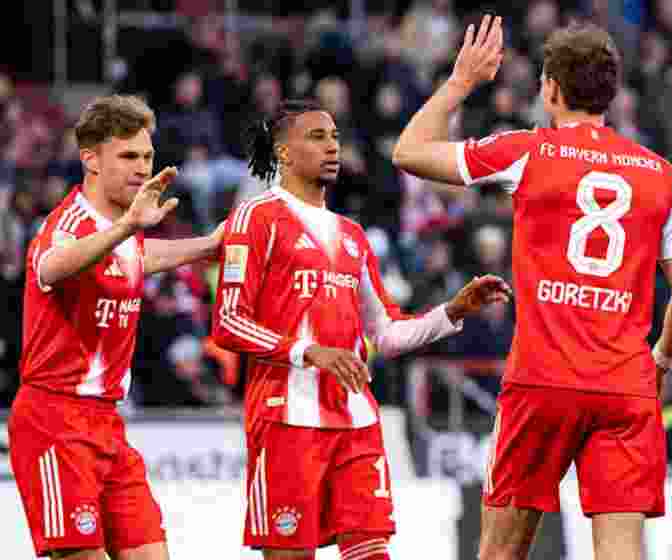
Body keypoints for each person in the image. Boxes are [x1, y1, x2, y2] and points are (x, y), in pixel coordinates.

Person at [393, 16, 672, 560]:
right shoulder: (660, 174)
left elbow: (409, 151)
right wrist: (658, 362)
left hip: (542, 379)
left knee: (500, 551)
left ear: (551, 89)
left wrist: (462, 81)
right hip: (624, 386)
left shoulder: (529, 151)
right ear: (609, 93)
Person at [211, 99, 510, 560]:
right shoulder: (256, 218)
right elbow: (228, 322)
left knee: (372, 551)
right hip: (287, 419)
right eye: (316, 137)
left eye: (334, 136)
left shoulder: (352, 235)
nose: (332, 146)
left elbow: (387, 333)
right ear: (283, 152)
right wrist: (309, 352)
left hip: (356, 420)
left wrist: (451, 311)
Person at [9, 94, 224, 560]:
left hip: (107, 421)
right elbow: (54, 265)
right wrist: (126, 226)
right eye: (128, 156)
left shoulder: (122, 230)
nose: (142, 167)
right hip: (55, 420)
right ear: (90, 159)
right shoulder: (68, 223)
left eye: (147, 156)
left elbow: (140, 257)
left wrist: (208, 244)